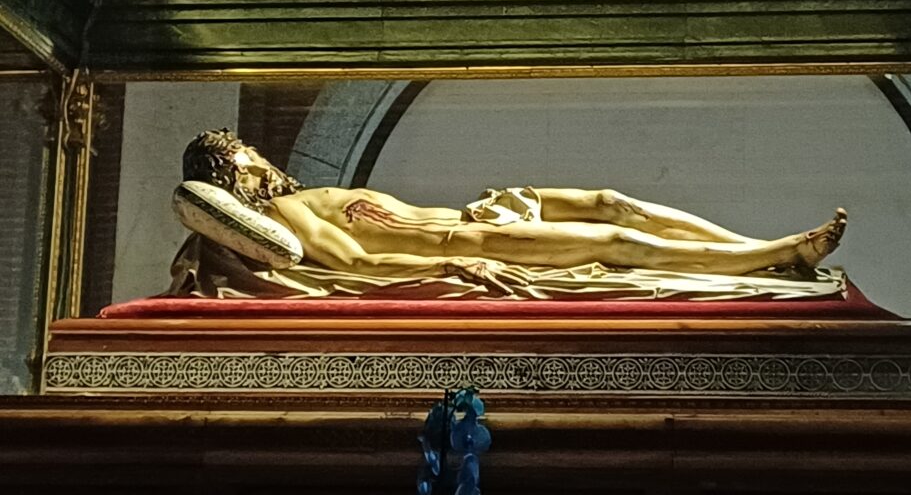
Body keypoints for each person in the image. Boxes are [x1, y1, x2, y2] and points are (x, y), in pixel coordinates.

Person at [182, 130, 846, 295]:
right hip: (463, 239)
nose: (260, 156)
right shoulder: (288, 215)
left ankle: (756, 247)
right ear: (235, 174)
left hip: (482, 212)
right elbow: (354, 261)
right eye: (246, 155)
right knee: (612, 241)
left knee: (611, 202)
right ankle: (777, 255)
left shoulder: (300, 196)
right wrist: (452, 264)